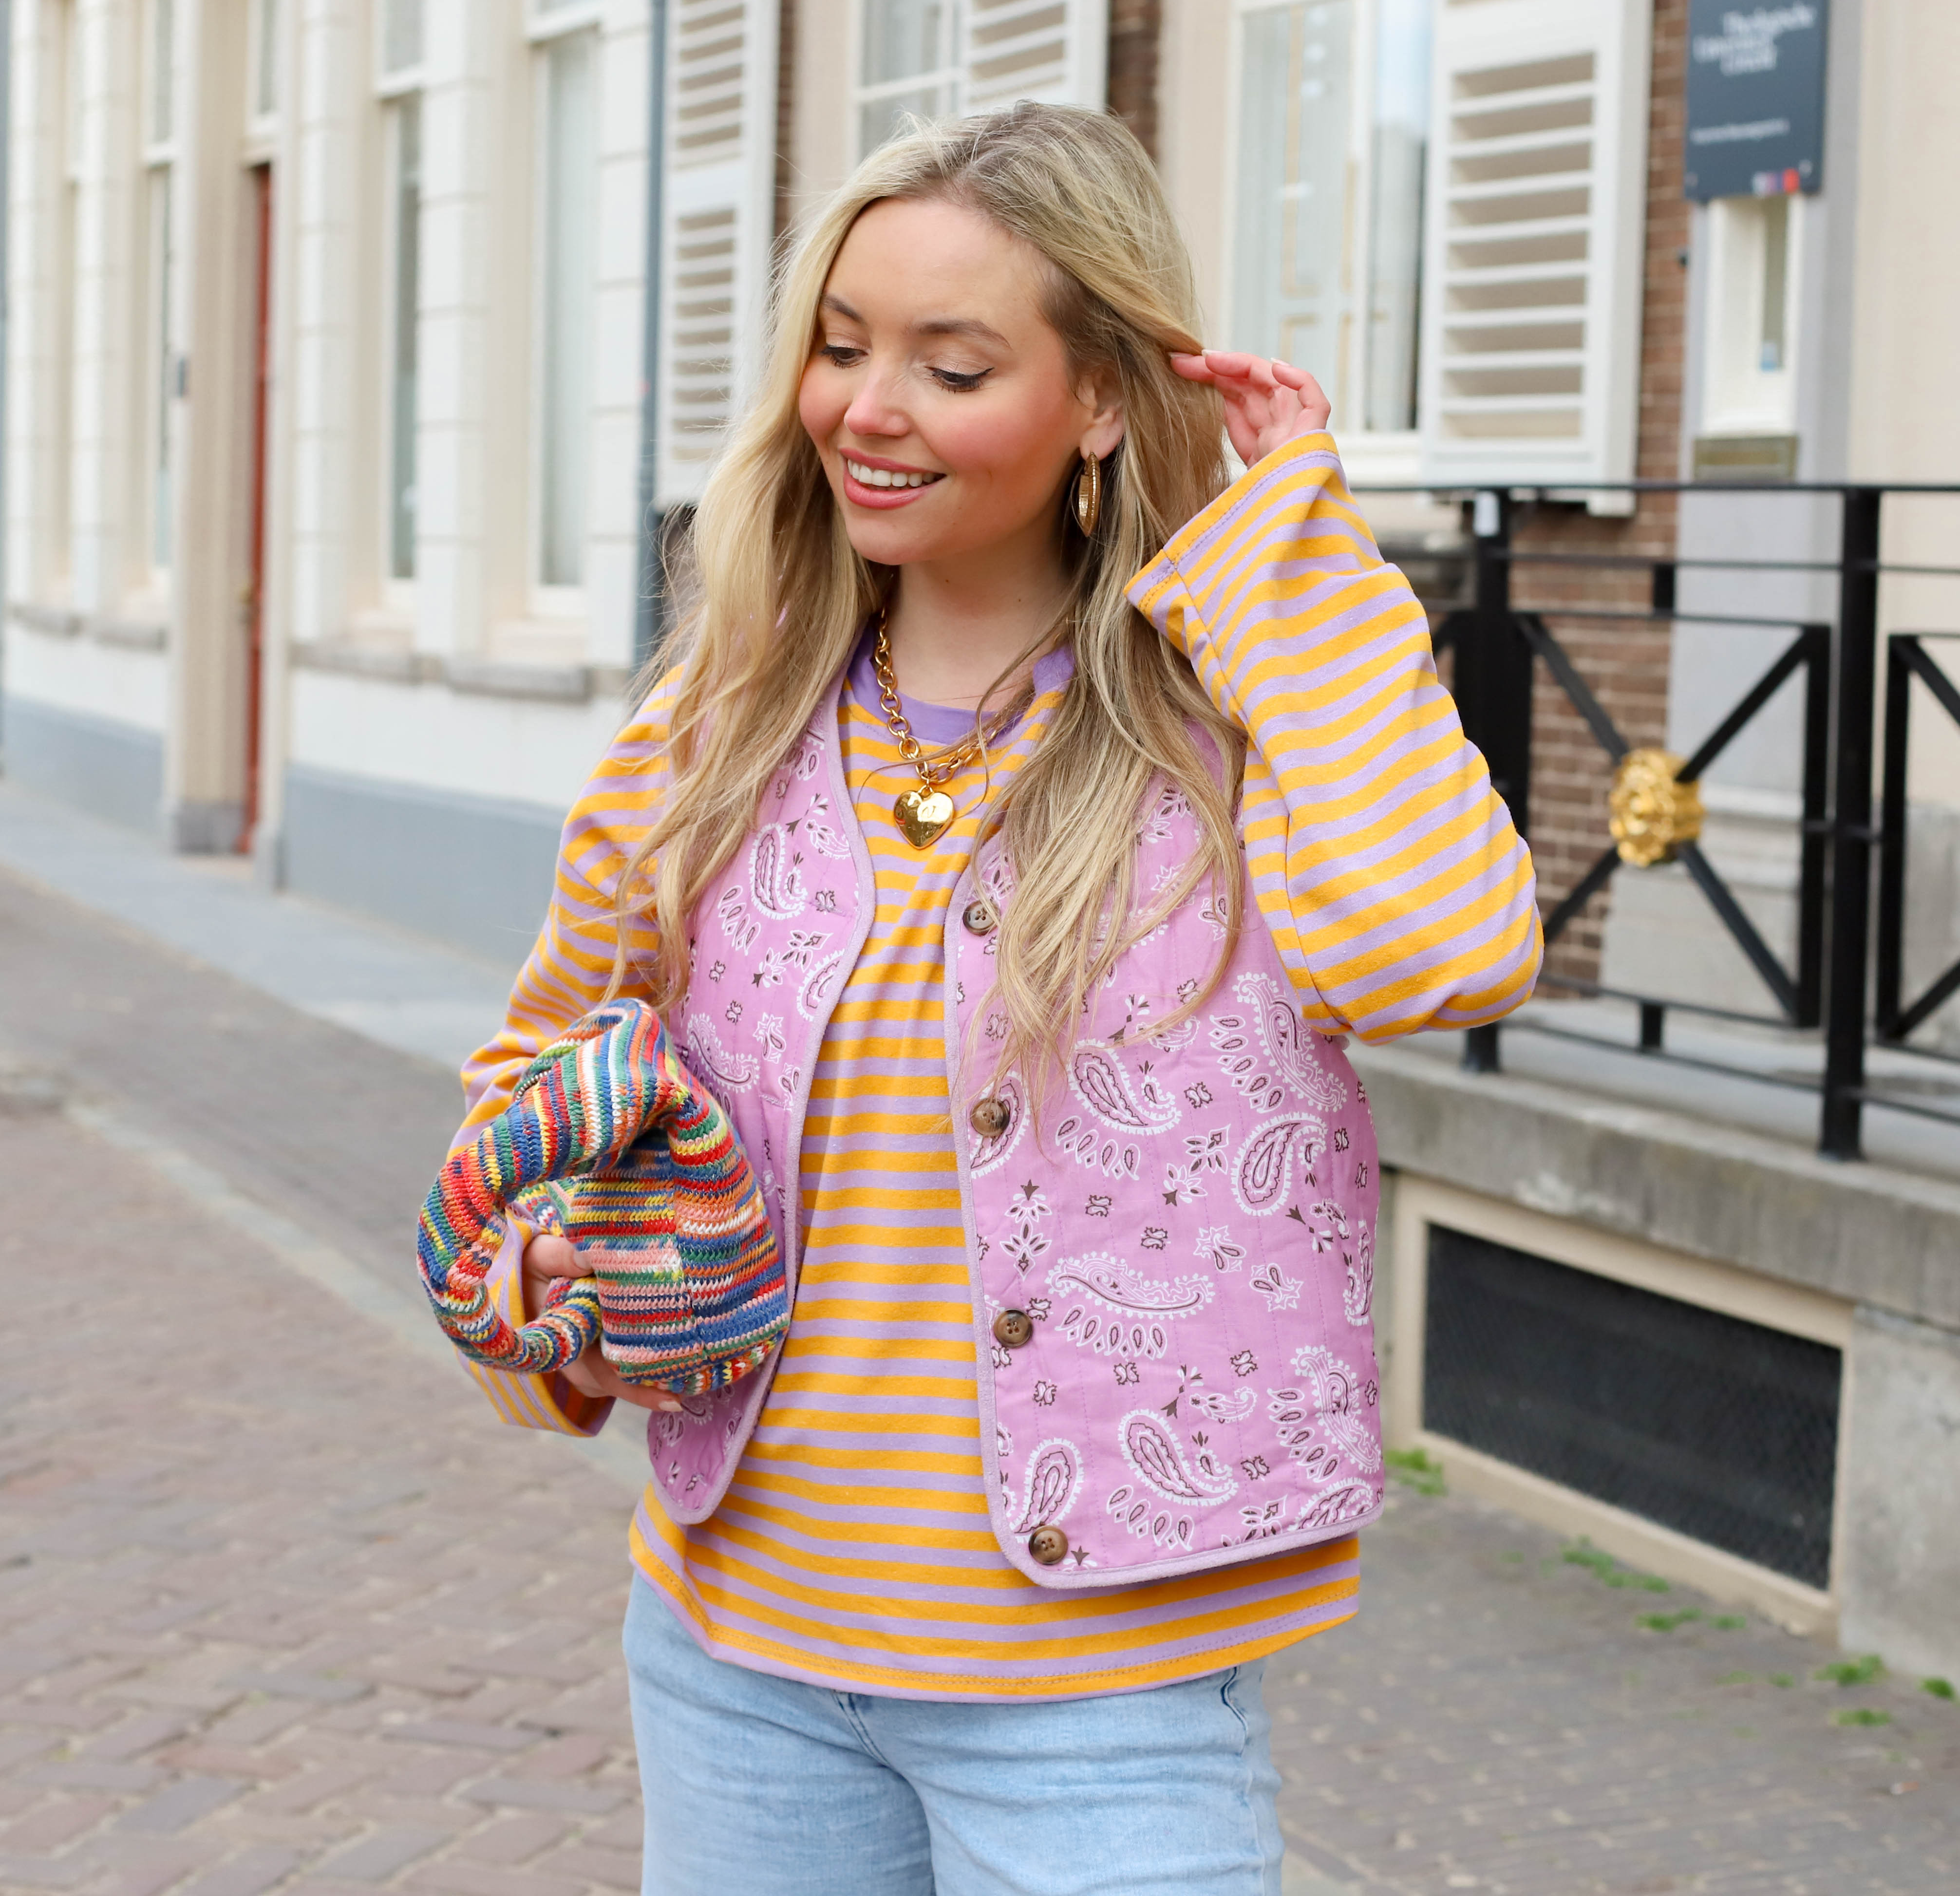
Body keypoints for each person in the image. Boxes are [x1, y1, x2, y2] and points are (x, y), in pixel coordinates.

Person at [452, 104, 1541, 1896]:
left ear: (1097, 397)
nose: (868, 410)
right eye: (841, 346)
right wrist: (545, 1288)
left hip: (1104, 1703)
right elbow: (534, 1086)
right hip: (737, 1664)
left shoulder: (1235, 750)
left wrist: (1288, 567)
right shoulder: (713, 735)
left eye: (951, 367)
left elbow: (1452, 949)